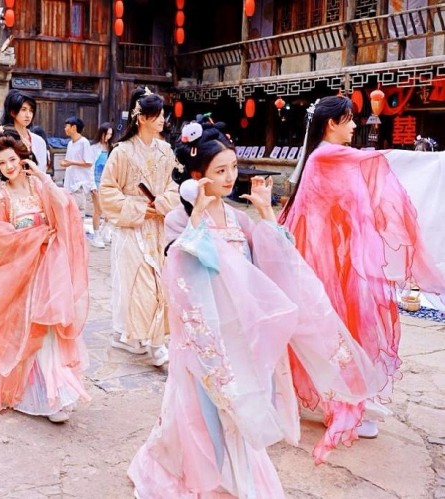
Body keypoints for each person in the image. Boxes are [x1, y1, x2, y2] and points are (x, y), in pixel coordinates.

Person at [128, 123, 385, 497]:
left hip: (240, 333)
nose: (230, 177)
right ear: (196, 177)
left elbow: (271, 262)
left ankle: (238, 480)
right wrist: (196, 218)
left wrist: (266, 213)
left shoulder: (237, 217)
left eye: (233, 167)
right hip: (205, 337)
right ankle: (187, 477)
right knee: (200, 413)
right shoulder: (178, 219)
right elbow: (180, 274)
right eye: (220, 171)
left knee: (238, 412)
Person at [279, 95, 445, 438]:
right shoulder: (327, 155)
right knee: (339, 329)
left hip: (333, 256)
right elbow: (381, 161)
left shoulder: (323, 156)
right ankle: (344, 402)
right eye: (349, 119)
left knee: (339, 328)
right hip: (325, 260)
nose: (355, 126)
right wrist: (434, 163)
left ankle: (345, 399)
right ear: (332, 123)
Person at [0, 130, 89, 422]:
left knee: (47, 330)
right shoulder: (1, 198)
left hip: (46, 269)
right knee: (24, 331)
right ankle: (35, 395)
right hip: (18, 273)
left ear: (22, 158)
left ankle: (54, 393)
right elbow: (0, 238)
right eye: (2, 163)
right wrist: (36, 237)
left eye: (12, 159)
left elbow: (64, 207)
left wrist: (42, 176)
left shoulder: (39, 186)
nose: (9, 166)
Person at [98, 87, 179, 366]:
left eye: (163, 114)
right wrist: (139, 208)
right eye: (158, 115)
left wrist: (162, 203)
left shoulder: (166, 150)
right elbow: (108, 190)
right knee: (140, 284)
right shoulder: (122, 152)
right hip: (132, 228)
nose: (163, 120)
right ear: (142, 118)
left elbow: (174, 185)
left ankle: (148, 337)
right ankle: (154, 343)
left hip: (157, 227)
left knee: (160, 283)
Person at [0, 90, 48, 217]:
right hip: (5, 193)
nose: (28, 115)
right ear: (12, 112)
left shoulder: (39, 141)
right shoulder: (1, 138)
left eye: (31, 110)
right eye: (23, 110)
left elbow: (41, 170)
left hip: (33, 194)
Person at [61, 116, 105, 249]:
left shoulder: (84, 143)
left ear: (74, 127)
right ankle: (73, 242)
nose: (65, 128)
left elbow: (88, 163)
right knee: (69, 213)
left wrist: (70, 163)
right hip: (69, 184)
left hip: (79, 185)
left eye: (67, 126)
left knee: (77, 215)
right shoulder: (70, 143)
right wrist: (67, 163)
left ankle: (78, 243)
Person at [90, 122, 114, 244]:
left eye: (110, 134)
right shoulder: (94, 148)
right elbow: (90, 167)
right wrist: (92, 185)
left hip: (108, 182)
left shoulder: (111, 148)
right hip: (96, 181)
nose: (108, 137)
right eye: (106, 134)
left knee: (110, 209)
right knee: (98, 210)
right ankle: (96, 234)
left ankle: (105, 230)